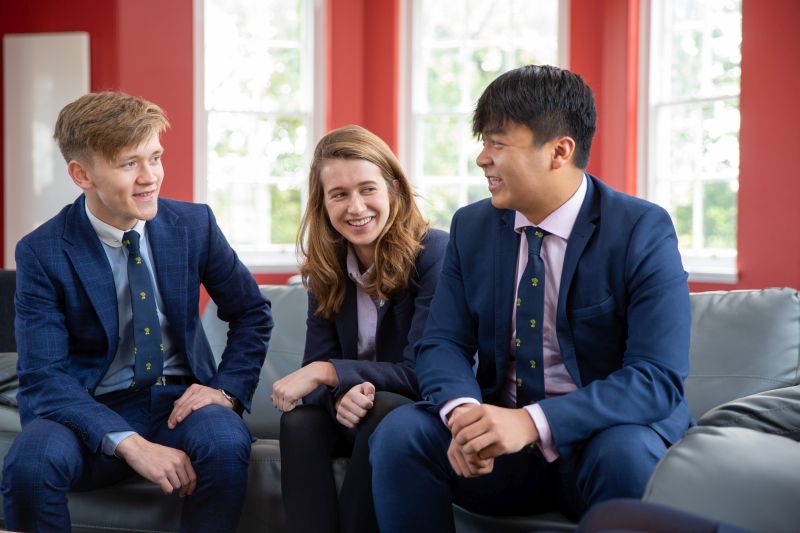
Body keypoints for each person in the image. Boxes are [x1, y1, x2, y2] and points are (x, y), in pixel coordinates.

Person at [369, 64, 692, 531]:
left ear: (560, 151)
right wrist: (464, 414)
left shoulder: (640, 229)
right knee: (400, 433)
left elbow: (656, 378)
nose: (482, 158)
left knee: (626, 452)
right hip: (501, 453)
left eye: (498, 144)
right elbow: (441, 343)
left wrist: (532, 422)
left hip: (602, 440)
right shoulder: (471, 227)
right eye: (483, 143)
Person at [1, 91, 273, 532]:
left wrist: (225, 390)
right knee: (30, 465)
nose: (150, 178)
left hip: (179, 403)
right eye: (129, 164)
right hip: (87, 407)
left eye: (155, 158)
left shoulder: (194, 225)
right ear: (81, 174)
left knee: (224, 443)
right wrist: (130, 443)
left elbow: (252, 313)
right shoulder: (43, 250)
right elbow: (44, 376)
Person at [271, 124, 448, 533]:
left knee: (382, 410)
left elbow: (425, 373)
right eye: (339, 194)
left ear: (394, 189)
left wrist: (331, 374)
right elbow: (315, 377)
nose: (355, 207)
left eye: (368, 189)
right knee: (299, 423)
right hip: (356, 412)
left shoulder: (434, 254)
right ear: (323, 204)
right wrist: (341, 396)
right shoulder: (326, 268)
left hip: (414, 415)